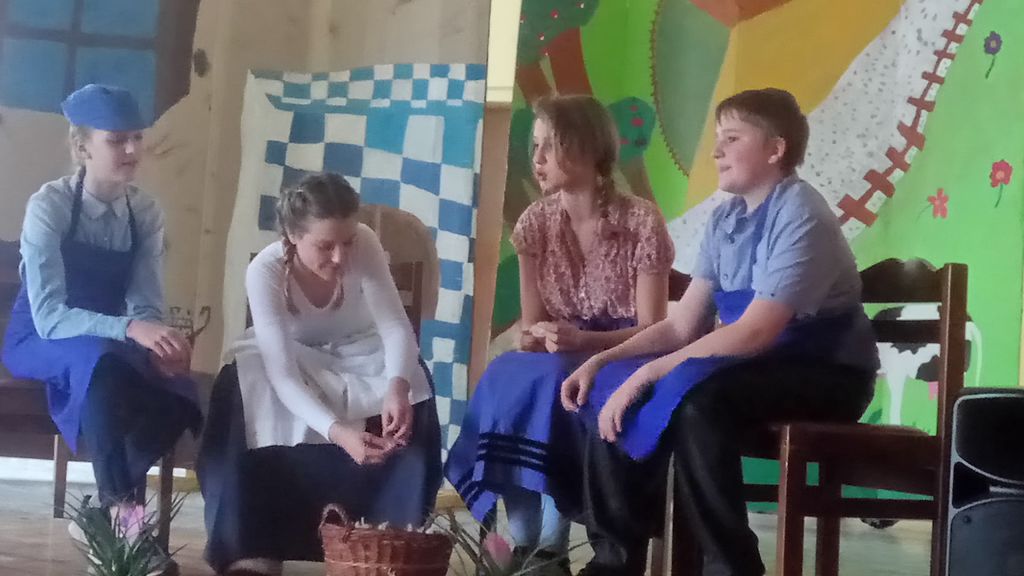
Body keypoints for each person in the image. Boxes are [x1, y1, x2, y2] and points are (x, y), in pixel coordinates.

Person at [562, 88, 880, 576]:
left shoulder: (801, 212)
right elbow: (682, 326)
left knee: (699, 403)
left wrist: (648, 374)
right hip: (756, 367)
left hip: (827, 374)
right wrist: (603, 361)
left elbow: (756, 331)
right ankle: (614, 561)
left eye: (732, 138)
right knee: (610, 385)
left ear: (775, 149)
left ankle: (731, 566)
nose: (715, 152)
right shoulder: (725, 218)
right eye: (717, 139)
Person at [444, 94, 675, 572]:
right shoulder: (535, 223)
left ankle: (550, 545)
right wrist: (535, 336)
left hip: (625, 353)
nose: (538, 158)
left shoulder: (640, 220)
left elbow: (655, 329)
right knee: (508, 374)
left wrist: (583, 343)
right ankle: (524, 538)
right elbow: (533, 323)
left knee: (552, 382)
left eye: (551, 145)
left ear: (588, 148)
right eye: (535, 146)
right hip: (561, 351)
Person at [197, 172, 442, 576]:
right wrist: (338, 433)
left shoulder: (365, 242)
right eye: (325, 246)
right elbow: (282, 375)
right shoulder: (264, 270)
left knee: (415, 382)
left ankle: (390, 540)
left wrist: (397, 387)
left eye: (348, 242)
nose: (341, 257)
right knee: (242, 383)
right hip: (291, 356)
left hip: (358, 349)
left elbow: (396, 328)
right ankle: (251, 549)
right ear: (293, 235)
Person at [1, 84, 201, 542]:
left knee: (180, 394)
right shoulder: (49, 206)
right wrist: (131, 328)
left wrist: (157, 346)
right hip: (42, 337)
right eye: (116, 140)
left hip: (111, 340)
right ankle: (126, 523)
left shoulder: (145, 213)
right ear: (82, 147)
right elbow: (49, 315)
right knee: (103, 367)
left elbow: (145, 302)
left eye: (136, 137)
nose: (131, 150)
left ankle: (99, 515)